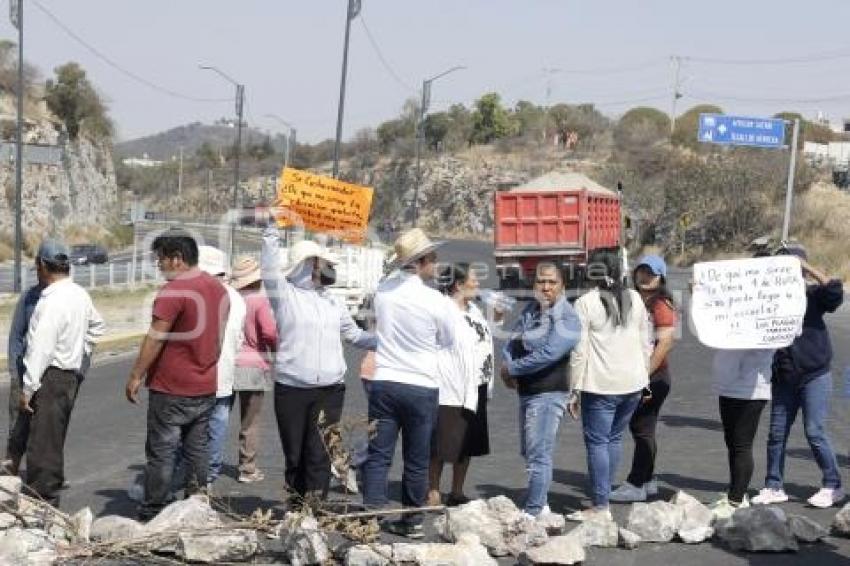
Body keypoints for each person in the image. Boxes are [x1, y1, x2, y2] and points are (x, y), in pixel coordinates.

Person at [260, 223, 376, 503]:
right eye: (321, 262)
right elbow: (269, 270)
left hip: (330, 390)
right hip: (292, 389)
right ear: (307, 264)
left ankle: (316, 509)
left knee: (320, 451)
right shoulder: (285, 296)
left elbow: (356, 336)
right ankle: (296, 507)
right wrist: (271, 230)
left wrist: (392, 340)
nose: (326, 268)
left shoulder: (332, 301)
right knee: (295, 452)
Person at [125, 229, 229, 521]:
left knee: (162, 451)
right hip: (205, 385)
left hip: (171, 388)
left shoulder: (173, 292)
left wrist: (136, 375)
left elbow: (156, 337)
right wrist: (206, 366)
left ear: (177, 259)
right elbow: (219, 339)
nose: (159, 266)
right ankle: (196, 507)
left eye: (161, 260)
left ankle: (153, 510)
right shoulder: (218, 288)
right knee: (197, 449)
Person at [362, 228, 455, 539]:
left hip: (386, 380)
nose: (436, 263)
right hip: (421, 385)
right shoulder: (435, 300)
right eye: (433, 258)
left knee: (379, 453)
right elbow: (447, 339)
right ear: (422, 261)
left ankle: (372, 515)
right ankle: (412, 520)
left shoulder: (384, 291)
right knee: (416, 458)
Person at [753, 244, 845, 508]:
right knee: (776, 434)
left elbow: (835, 292)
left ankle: (832, 484)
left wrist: (805, 268)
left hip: (815, 375)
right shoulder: (767, 298)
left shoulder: (814, 295)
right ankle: (773, 485)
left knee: (814, 431)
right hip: (784, 376)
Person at [567, 252, 650, 522]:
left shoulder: (585, 303)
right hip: (633, 383)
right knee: (613, 439)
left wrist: (574, 389)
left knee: (597, 442)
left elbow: (579, 352)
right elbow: (645, 343)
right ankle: (605, 494)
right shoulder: (635, 299)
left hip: (601, 385)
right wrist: (645, 378)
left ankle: (601, 505)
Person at [20, 239, 105, 506]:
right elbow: (97, 326)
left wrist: (28, 388)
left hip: (51, 375)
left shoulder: (51, 302)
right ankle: (50, 485)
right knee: (55, 434)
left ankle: (42, 498)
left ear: (43, 266)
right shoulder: (80, 294)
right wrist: (82, 356)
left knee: (43, 439)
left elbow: (40, 349)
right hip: (70, 375)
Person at [501, 262, 581, 518]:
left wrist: (513, 369)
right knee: (529, 451)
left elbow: (548, 354)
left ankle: (533, 512)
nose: (545, 287)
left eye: (551, 282)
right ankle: (542, 505)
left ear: (562, 286)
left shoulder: (567, 317)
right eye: (540, 282)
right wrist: (507, 362)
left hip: (548, 393)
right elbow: (513, 340)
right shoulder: (531, 310)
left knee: (539, 455)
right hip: (528, 392)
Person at [610, 255, 678, 502]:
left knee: (642, 428)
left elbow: (666, 343)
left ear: (661, 277)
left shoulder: (661, 305)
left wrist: (645, 374)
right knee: (643, 428)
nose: (644, 277)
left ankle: (636, 482)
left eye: (650, 273)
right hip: (641, 374)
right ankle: (648, 480)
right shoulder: (635, 300)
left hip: (654, 376)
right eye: (641, 272)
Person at [428, 263, 494, 507]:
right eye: (474, 279)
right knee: (442, 443)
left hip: (476, 385)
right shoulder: (443, 310)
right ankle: (433, 491)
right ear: (458, 285)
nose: (478, 284)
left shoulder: (474, 310)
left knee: (467, 442)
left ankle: (457, 491)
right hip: (451, 386)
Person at [198, 246, 246, 486]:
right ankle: (210, 473)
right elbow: (239, 340)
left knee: (191, 429)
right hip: (225, 374)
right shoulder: (237, 297)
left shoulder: (197, 294)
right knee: (217, 424)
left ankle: (187, 475)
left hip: (197, 376)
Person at [231, 256, 277, 484]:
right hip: (254, 365)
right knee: (250, 421)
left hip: (228, 364)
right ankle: (247, 469)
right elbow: (269, 333)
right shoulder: (259, 302)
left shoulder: (229, 299)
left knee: (217, 418)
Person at [2, 275, 45, 476]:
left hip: (52, 376)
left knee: (47, 429)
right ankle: (9, 477)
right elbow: (16, 337)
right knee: (17, 429)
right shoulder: (29, 297)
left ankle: (46, 477)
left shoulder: (68, 297)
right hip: (24, 372)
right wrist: (15, 372)